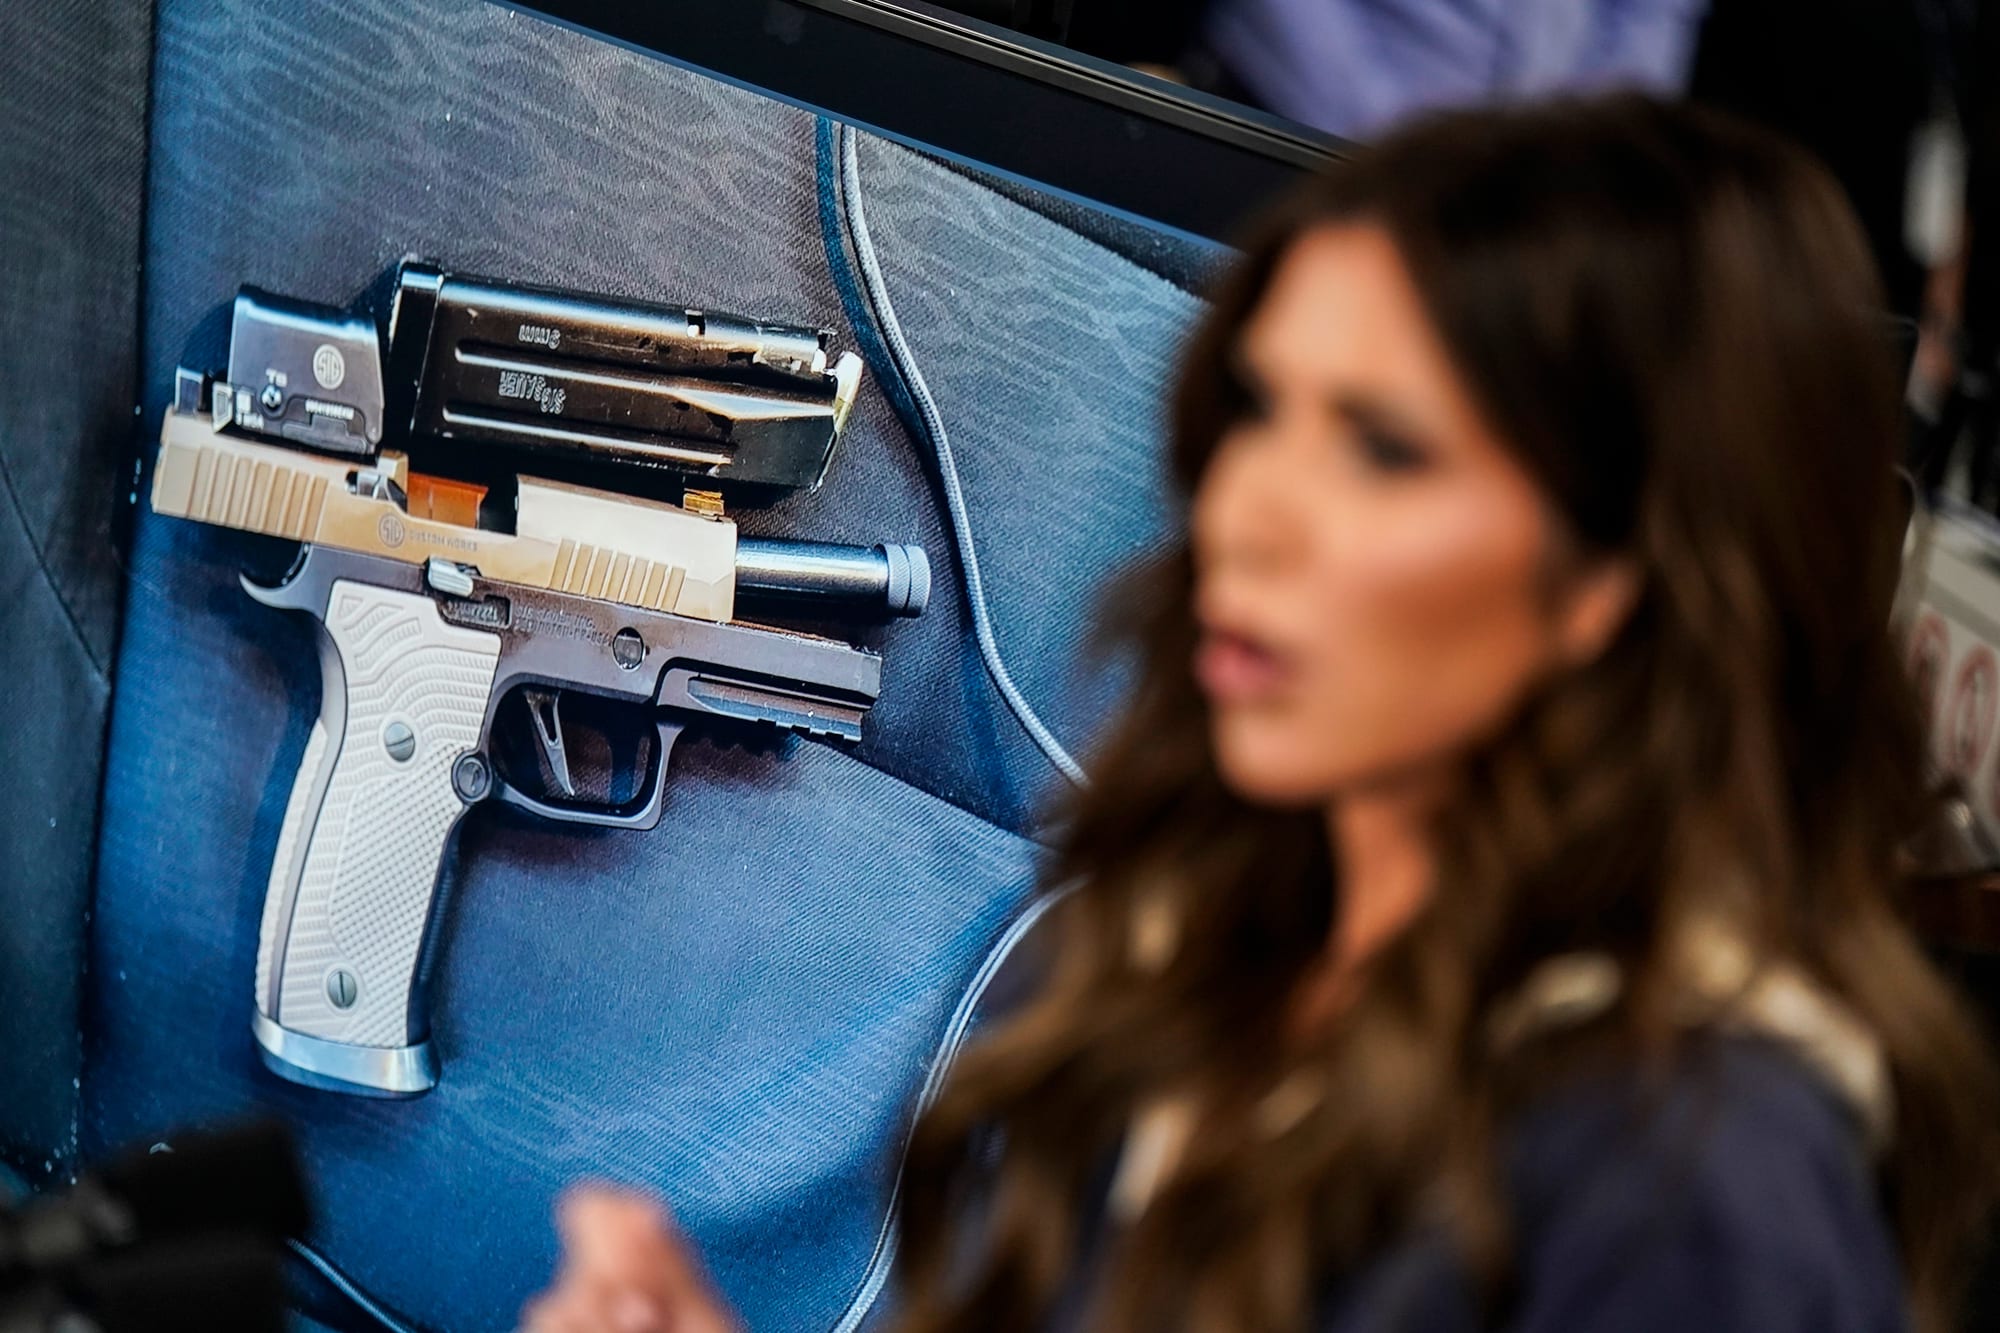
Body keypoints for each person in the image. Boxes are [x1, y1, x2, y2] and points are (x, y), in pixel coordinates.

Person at [520, 94, 2000, 1333]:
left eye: (1383, 449)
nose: (1246, 511)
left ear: (1625, 566)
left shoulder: (1696, 1193)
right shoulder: (1163, 946)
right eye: (1258, 411)